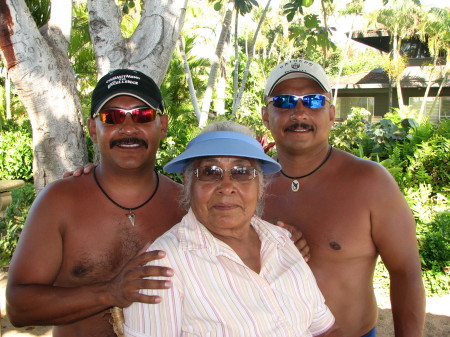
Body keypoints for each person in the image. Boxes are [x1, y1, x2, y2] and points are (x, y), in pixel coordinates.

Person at [6, 69, 186, 337]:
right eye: (111, 117)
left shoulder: (185, 205)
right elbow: (19, 308)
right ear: (93, 128)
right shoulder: (60, 202)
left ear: (162, 125)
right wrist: (110, 292)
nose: (128, 128)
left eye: (142, 115)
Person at [122, 121, 344, 337]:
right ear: (189, 183)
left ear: (260, 186)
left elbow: (325, 329)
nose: (226, 187)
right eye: (210, 172)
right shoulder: (162, 265)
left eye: (241, 172)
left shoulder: (282, 240)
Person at [260, 59, 425, 337]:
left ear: (332, 114)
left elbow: (405, 272)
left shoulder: (370, 182)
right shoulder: (247, 185)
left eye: (313, 101)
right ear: (266, 116)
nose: (299, 111)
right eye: (284, 101)